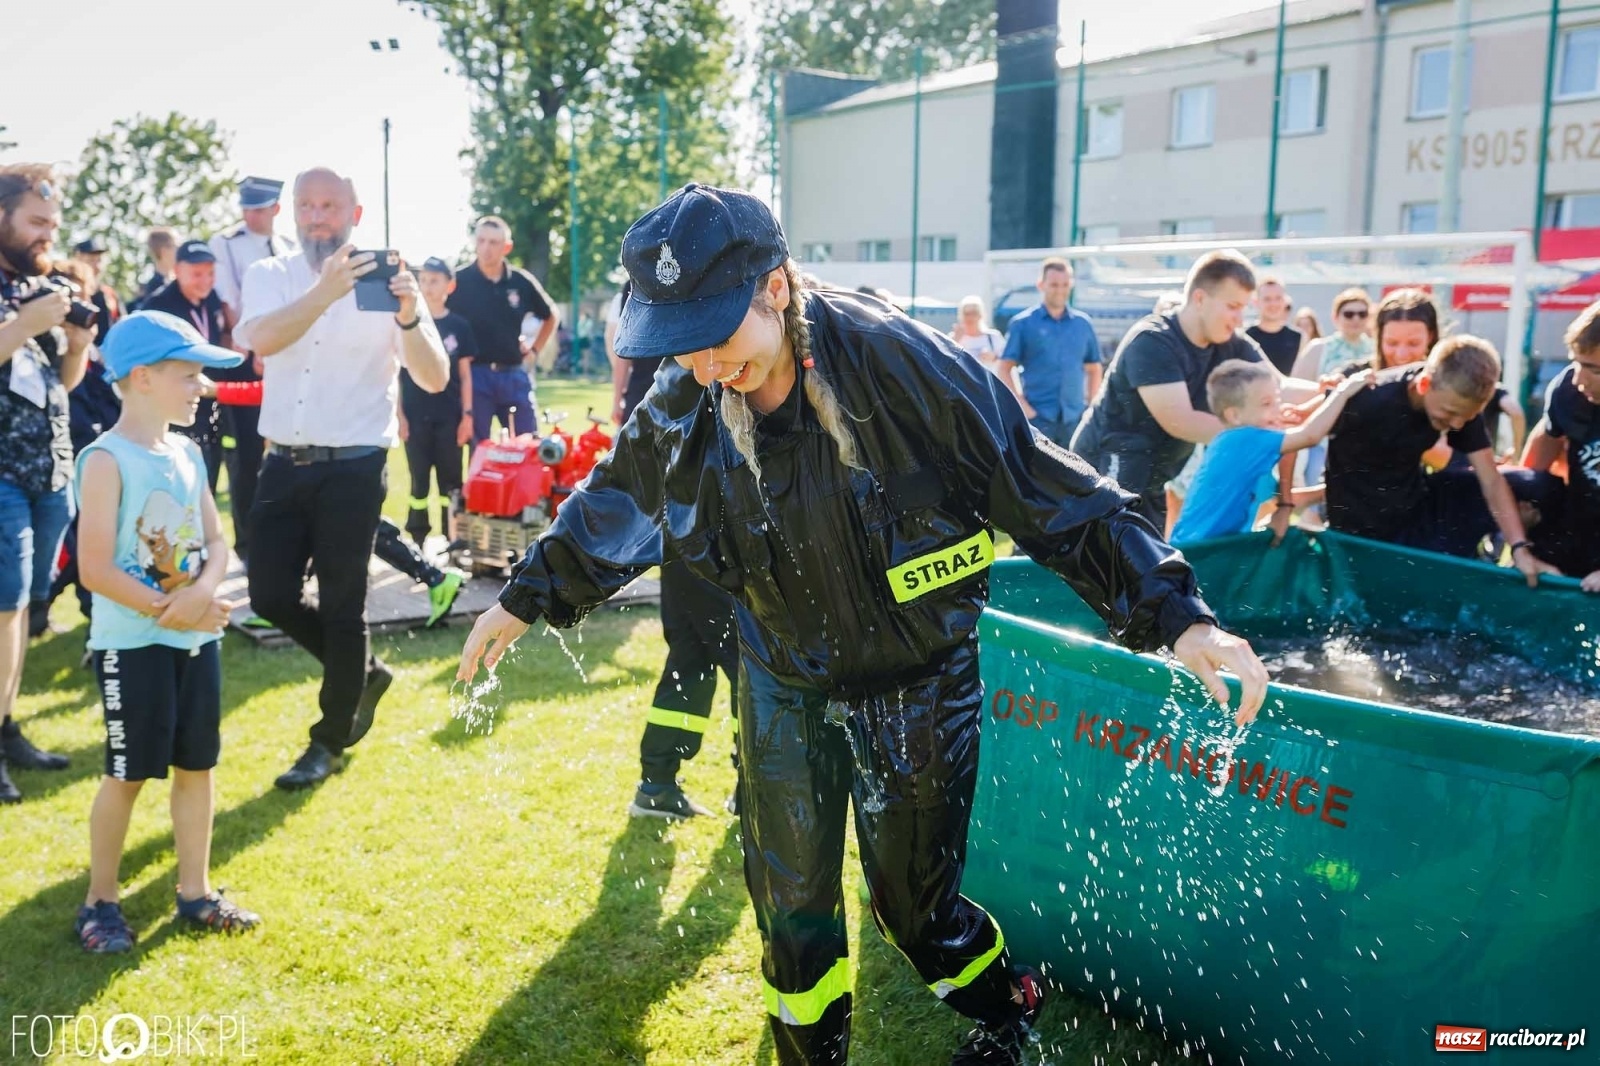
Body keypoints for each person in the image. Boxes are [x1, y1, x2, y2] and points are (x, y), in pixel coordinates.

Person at [456, 183, 1269, 1065]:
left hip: (916, 673)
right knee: (791, 913)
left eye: (715, 339)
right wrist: (525, 593)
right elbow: (624, 488)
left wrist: (1180, 616)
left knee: (916, 916)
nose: (699, 367)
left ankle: (1006, 1005)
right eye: (677, 346)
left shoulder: (902, 366)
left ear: (775, 286)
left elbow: (1050, 490)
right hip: (781, 671)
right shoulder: (691, 386)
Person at [234, 166, 449, 790]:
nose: (316, 216)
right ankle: (364, 674)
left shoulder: (388, 283)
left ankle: (327, 739)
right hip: (283, 461)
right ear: (293, 213)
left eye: (329, 206)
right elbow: (264, 342)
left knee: (341, 605)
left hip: (355, 467)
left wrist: (409, 315)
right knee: (269, 595)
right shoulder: (269, 275)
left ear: (355, 215)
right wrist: (324, 293)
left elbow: (433, 378)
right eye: (306, 205)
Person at [71, 310, 261, 953]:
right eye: (188, 375)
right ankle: (100, 902)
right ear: (143, 378)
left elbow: (214, 540)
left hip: (194, 638)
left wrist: (204, 594)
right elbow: (95, 568)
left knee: (196, 766)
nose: (200, 387)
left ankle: (195, 892)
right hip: (134, 645)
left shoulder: (186, 451)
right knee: (128, 773)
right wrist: (171, 609)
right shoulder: (105, 460)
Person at [1072, 249, 1317, 529]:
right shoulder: (1153, 339)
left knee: (1143, 566)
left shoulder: (1231, 343)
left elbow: (1280, 386)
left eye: (1244, 308)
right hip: (1103, 472)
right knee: (1094, 563)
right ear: (1200, 299)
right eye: (1233, 306)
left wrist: (1332, 391)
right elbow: (1181, 421)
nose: (1240, 319)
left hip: (1152, 480)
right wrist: (1266, 435)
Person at [1322, 335, 1561, 584]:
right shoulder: (1370, 398)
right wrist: (1287, 505)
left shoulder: (1459, 402)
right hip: (1364, 534)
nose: (1457, 424)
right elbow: (1298, 432)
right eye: (1450, 413)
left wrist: (1519, 546)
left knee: (1538, 486)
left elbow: (1491, 480)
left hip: (1417, 507)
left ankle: (1538, 572)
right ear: (1424, 384)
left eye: (1466, 417)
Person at [0, 163, 90, 802]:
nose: (46, 236)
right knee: (2, 609)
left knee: (24, 611)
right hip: (1, 473)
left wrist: (77, 343)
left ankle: (7, 727)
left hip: (49, 470)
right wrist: (23, 327)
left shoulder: (41, 283)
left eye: (52, 225)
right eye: (35, 222)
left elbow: (60, 386)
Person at [1171, 360, 1372, 544]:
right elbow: (1310, 436)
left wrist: (1289, 504)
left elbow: (1292, 450)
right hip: (1196, 553)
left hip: (1208, 549)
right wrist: (1342, 393)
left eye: (1277, 400)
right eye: (1266, 404)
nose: (1277, 409)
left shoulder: (1243, 446)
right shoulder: (1242, 440)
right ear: (1234, 415)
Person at [208, 176, 293, 564]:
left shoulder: (289, 248)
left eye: (258, 208)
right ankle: (247, 545)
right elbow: (230, 303)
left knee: (288, 455)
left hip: (286, 365)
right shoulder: (225, 244)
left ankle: (284, 541)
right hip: (245, 361)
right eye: (246, 207)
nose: (250, 214)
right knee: (245, 460)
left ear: (275, 209)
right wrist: (260, 346)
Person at [446, 216, 559, 443]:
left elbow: (550, 315)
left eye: (494, 242)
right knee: (480, 451)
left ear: (507, 247)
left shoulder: (519, 281)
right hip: (475, 376)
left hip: (514, 373)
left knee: (529, 445)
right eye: (481, 240)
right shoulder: (458, 281)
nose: (486, 248)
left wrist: (535, 351)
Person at [1520, 300, 1600, 589]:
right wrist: (1520, 520)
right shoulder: (1567, 391)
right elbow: (1542, 449)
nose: (1580, 379)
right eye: (1577, 362)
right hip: (1580, 521)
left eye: (1594, 369)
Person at [141, 241, 230, 493]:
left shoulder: (211, 299)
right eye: (197, 274)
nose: (206, 281)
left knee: (209, 477)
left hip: (210, 403)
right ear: (178, 270)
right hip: (175, 409)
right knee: (180, 483)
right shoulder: (158, 306)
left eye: (211, 273)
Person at [400, 257, 476, 549]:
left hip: (449, 416)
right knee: (418, 482)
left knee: (451, 483)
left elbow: (466, 376)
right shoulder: (408, 322)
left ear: (449, 285)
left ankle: (451, 538)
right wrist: (400, 417)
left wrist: (467, 416)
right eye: (423, 280)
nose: (428, 287)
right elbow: (396, 374)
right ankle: (417, 539)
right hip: (415, 416)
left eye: (434, 281)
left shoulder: (459, 326)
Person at [994, 257, 1102, 445]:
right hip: (1038, 420)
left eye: (1065, 284)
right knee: (1036, 474)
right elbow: (1004, 368)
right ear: (1041, 285)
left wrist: (1091, 408)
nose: (1060, 290)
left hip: (1075, 420)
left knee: (1077, 473)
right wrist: (1024, 409)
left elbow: (1094, 368)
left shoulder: (1083, 324)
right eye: (1054, 284)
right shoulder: (1023, 324)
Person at [1291, 287, 1374, 382]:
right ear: (1335, 317)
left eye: (1362, 314)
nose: (1356, 319)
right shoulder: (1318, 348)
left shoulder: (1376, 349)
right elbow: (1296, 386)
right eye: (1349, 314)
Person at [1244, 275, 1301, 376]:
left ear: (1285, 301)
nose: (1273, 304)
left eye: (1278, 298)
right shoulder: (1245, 337)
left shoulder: (1299, 338)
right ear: (1256, 302)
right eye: (1267, 299)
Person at [70, 237, 121, 345]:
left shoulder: (109, 294)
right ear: (77, 259)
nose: (97, 266)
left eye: (99, 261)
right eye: (91, 260)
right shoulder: (71, 293)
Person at [949, 295, 1004, 371]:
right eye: (966, 314)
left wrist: (994, 357)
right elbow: (946, 362)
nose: (970, 317)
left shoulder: (993, 337)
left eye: (974, 313)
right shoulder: (953, 337)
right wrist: (955, 339)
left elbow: (1007, 363)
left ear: (981, 315)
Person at [129, 228, 177, 312]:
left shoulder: (172, 283)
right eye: (175, 246)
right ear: (164, 251)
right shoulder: (156, 288)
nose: (179, 250)